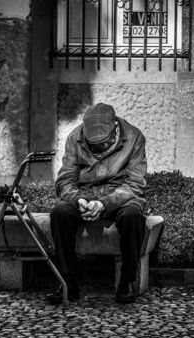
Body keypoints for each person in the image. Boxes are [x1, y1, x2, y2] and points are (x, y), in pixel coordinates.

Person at [47, 102, 147, 305]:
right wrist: (78, 200)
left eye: (102, 143)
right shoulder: (75, 138)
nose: (97, 147)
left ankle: (127, 281)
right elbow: (65, 181)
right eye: (92, 144)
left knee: (133, 217)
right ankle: (67, 282)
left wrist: (103, 205)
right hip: (85, 194)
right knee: (60, 213)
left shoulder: (135, 137)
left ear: (115, 130)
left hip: (121, 195)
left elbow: (135, 184)